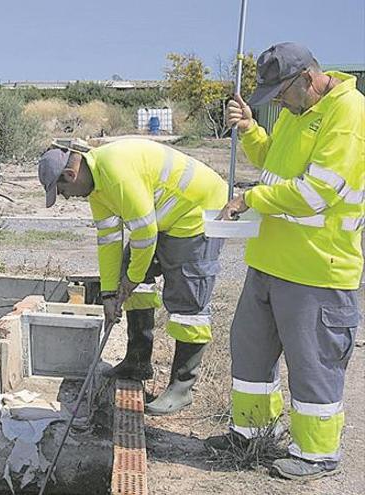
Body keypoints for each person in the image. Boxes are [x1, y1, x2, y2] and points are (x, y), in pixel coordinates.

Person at [207, 42, 364, 481]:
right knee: (250, 353)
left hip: (316, 269)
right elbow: (274, 164)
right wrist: (253, 131)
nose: (276, 99)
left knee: (313, 366)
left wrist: (249, 198)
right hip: (270, 262)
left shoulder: (348, 116)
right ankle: (251, 434)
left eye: (280, 91)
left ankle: (316, 454)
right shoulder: (298, 113)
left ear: (308, 79)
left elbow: (316, 194)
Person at [37, 137, 228, 415]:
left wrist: (131, 280)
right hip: (166, 215)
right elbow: (108, 241)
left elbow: (145, 235)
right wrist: (109, 294)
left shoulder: (116, 175)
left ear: (70, 174)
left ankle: (181, 387)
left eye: (62, 190)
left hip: (197, 211)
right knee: (129, 264)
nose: (66, 197)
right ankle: (138, 361)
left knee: (187, 299)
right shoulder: (97, 187)